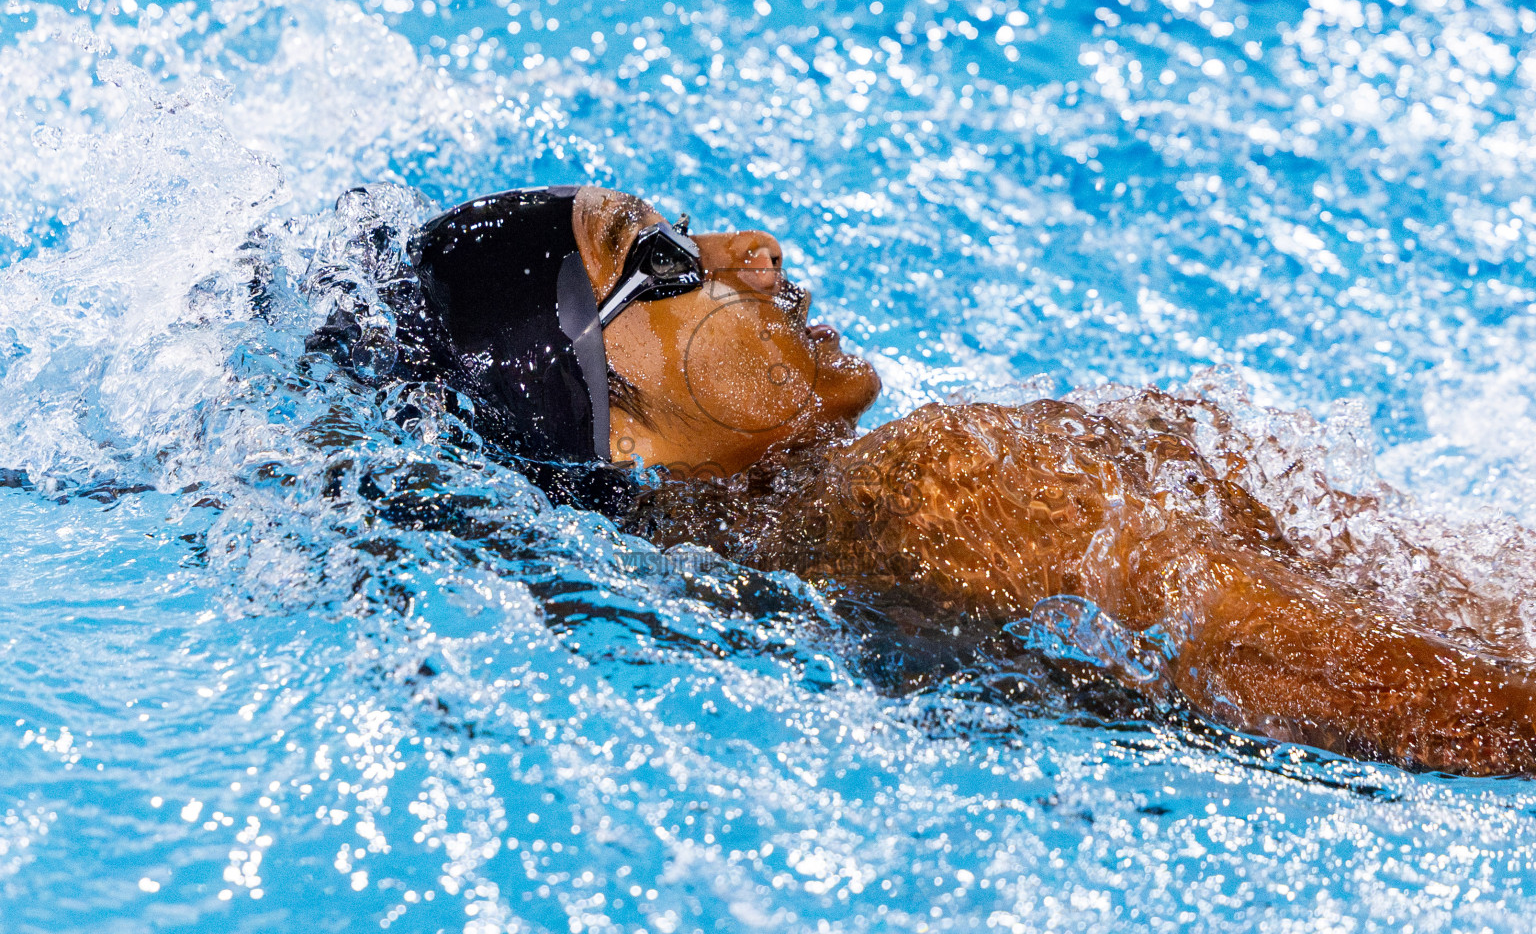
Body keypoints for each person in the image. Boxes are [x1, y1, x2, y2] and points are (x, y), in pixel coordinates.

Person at [387, 184, 1536, 777]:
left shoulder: (734, 601)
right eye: (665, 261)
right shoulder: (942, 483)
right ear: (614, 432)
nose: (754, 250)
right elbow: (1305, 668)